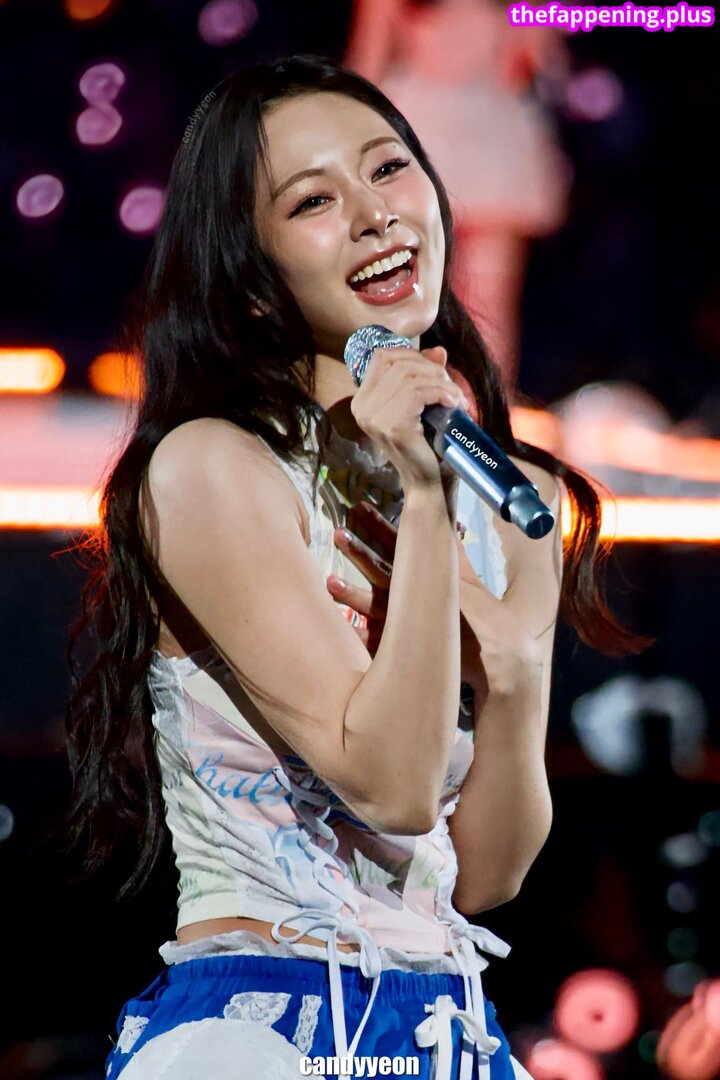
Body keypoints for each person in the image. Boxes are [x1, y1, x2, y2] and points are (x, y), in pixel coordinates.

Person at [61, 56, 645, 1080]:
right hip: (262, 1025)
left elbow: (485, 879)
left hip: (444, 1027)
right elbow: (393, 787)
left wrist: (516, 674)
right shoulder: (213, 469)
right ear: (250, 267)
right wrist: (422, 497)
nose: (375, 215)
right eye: (313, 201)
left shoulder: (512, 497)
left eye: (388, 168)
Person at [344, 0, 572, 387]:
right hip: (417, 130)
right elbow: (368, 64)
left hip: (490, 132)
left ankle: (484, 408)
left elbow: (529, 61)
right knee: (402, 287)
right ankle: (403, 400)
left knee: (489, 297)